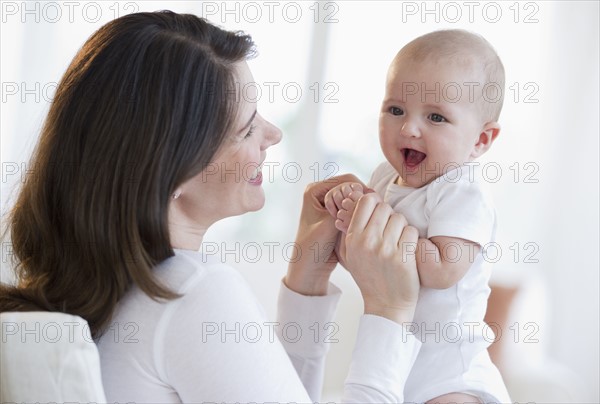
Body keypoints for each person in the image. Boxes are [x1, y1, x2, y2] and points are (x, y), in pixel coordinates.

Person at [0, 11, 423, 403]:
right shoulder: (192, 291)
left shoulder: (104, 295)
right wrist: (389, 311)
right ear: (172, 172)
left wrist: (305, 283)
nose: (272, 133)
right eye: (246, 128)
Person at [325, 30, 512, 403]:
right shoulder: (382, 177)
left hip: (451, 370)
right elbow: (366, 264)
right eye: (396, 110)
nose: (409, 128)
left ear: (480, 140)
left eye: (436, 117)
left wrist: (382, 227)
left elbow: (443, 270)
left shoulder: (461, 189)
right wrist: (347, 220)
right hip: (398, 359)